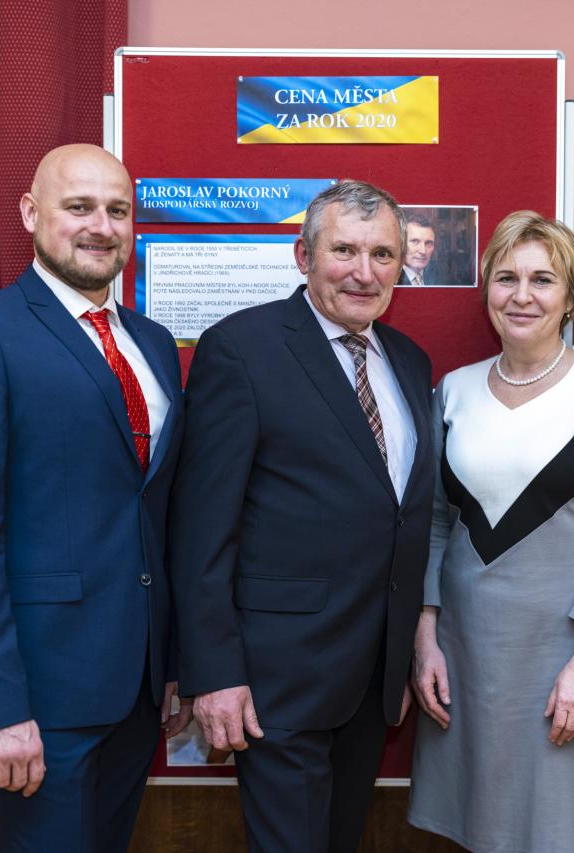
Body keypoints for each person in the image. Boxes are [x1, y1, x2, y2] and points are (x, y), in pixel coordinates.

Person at [0, 144, 190, 850]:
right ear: (32, 214)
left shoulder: (153, 344)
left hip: (137, 691)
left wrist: (175, 664)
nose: (102, 225)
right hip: (38, 698)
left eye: (118, 210)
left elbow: (156, 516)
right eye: (79, 206)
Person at [167, 180, 434, 852]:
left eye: (382, 254)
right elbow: (201, 530)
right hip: (275, 680)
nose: (364, 272)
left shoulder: (408, 360)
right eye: (344, 250)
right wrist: (214, 673)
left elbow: (401, 518)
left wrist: (401, 654)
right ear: (303, 255)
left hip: (371, 680)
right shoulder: (242, 349)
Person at [408, 211, 574, 852]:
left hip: (565, 655)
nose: (522, 296)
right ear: (486, 288)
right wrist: (425, 640)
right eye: (506, 278)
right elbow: (434, 524)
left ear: (571, 297)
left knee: (564, 829)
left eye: (542, 280)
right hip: (465, 653)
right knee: (480, 825)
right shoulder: (453, 392)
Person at [398, 214, 436, 286]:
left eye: (428, 243)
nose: (423, 251)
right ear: (401, 244)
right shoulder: (392, 279)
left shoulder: (440, 277)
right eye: (415, 241)